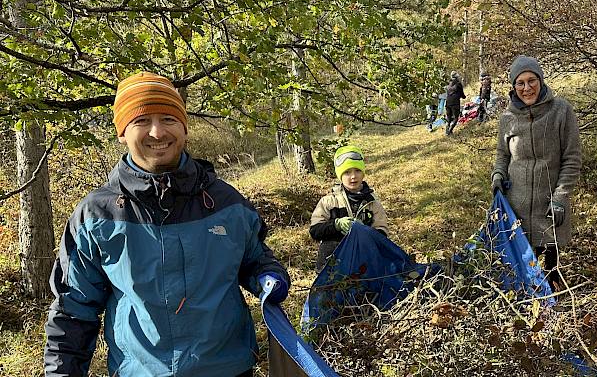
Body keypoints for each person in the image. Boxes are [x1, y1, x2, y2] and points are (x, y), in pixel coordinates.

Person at [44, 72, 290, 377]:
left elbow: (254, 258)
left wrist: (268, 276)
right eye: (141, 121)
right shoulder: (96, 215)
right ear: (122, 132)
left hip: (227, 369)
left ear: (184, 127)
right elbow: (72, 312)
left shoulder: (227, 203)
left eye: (168, 119)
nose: (157, 132)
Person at [491, 55, 581, 291]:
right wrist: (498, 175)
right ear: (513, 87)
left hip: (550, 202)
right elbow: (503, 155)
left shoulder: (561, 111)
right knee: (521, 260)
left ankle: (553, 300)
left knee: (552, 265)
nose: (527, 88)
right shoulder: (508, 118)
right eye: (520, 83)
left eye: (532, 80)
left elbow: (572, 158)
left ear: (541, 81)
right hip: (517, 203)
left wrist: (561, 196)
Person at [310, 145, 389, 272]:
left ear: (363, 172)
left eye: (357, 170)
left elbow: (382, 234)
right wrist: (336, 225)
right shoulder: (329, 201)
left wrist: (363, 232)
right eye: (347, 172)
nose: (353, 176)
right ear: (340, 175)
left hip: (363, 262)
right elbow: (315, 231)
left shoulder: (372, 203)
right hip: (331, 264)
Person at [444, 71, 466, 136]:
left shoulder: (448, 84)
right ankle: (449, 131)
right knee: (456, 117)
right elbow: (462, 94)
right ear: (457, 77)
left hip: (448, 102)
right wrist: (464, 97)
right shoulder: (458, 84)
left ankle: (447, 131)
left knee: (448, 118)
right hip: (455, 103)